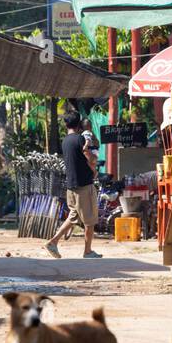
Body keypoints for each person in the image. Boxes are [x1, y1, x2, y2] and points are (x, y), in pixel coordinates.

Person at [47, 108, 100, 259]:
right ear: (79, 125)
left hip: (71, 185)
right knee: (89, 221)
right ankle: (88, 251)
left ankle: (53, 242)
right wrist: (90, 153)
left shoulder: (65, 141)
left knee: (73, 217)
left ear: (66, 125)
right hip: (83, 185)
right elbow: (92, 159)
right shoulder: (80, 140)